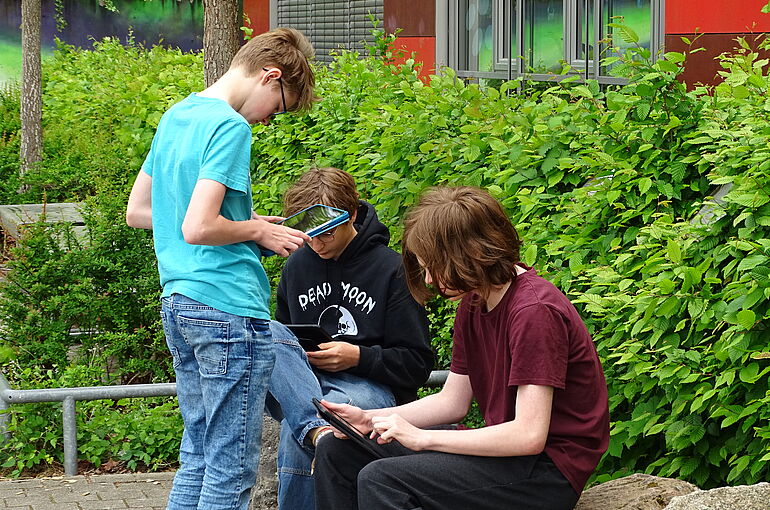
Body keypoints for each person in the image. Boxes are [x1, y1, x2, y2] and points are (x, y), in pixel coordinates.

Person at [313, 186, 610, 510]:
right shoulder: (474, 303)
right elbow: (453, 401)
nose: (427, 280)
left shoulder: (534, 312)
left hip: (546, 472)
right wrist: (369, 418)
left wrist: (424, 437)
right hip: (508, 457)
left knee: (382, 479)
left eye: (432, 267)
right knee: (337, 451)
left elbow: (529, 435)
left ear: (467, 255)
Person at [125, 28, 316, 510]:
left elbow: (141, 211)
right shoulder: (231, 127)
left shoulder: (177, 115)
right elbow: (199, 226)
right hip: (227, 307)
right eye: (278, 107)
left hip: (180, 304)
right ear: (270, 77)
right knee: (231, 468)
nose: (270, 120)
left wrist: (244, 223)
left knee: (199, 456)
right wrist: (254, 231)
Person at [264, 167, 434, 510]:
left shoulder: (392, 269)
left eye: (326, 231)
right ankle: (315, 424)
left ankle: (313, 425)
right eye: (309, 234)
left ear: (352, 214)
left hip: (372, 389)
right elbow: (282, 346)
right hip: (309, 385)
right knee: (265, 333)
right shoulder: (296, 267)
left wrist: (357, 357)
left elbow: (417, 365)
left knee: (300, 431)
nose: (317, 243)